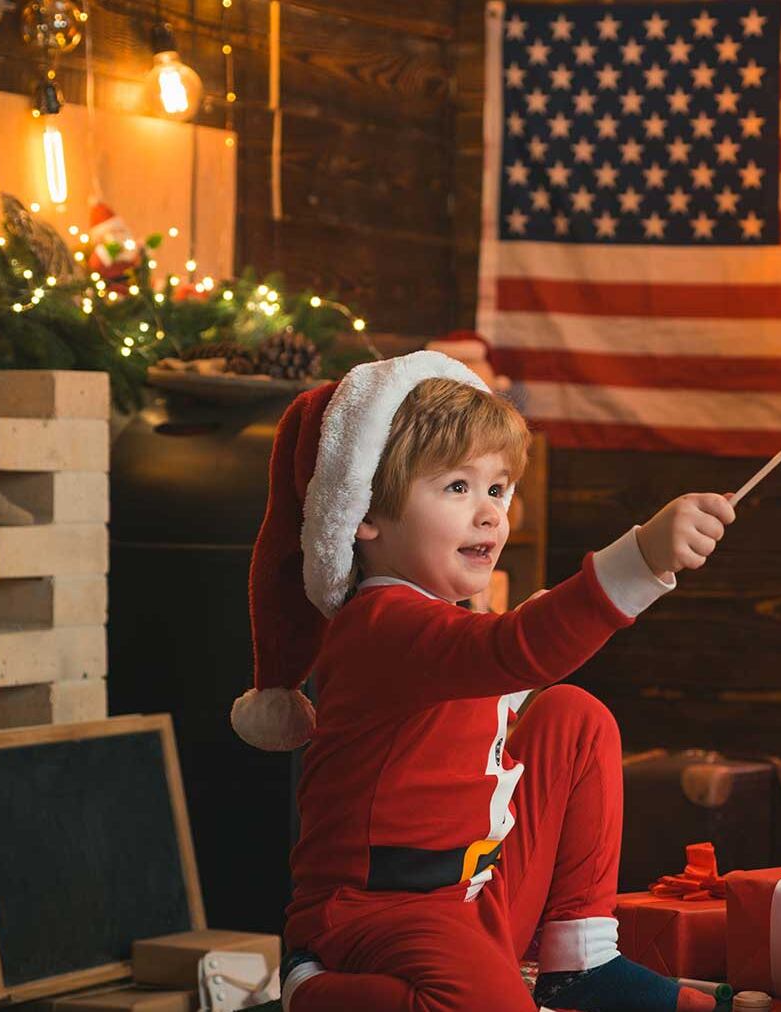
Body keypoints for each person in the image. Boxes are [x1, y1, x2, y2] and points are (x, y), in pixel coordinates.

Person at [232, 350, 733, 1012]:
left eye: (498, 489)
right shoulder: (381, 620)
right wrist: (639, 558)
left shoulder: (444, 622)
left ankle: (580, 959)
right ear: (365, 514)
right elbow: (519, 648)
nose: (491, 514)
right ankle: (311, 990)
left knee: (574, 720)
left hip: (468, 893)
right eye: (457, 488)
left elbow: (513, 650)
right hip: (371, 911)